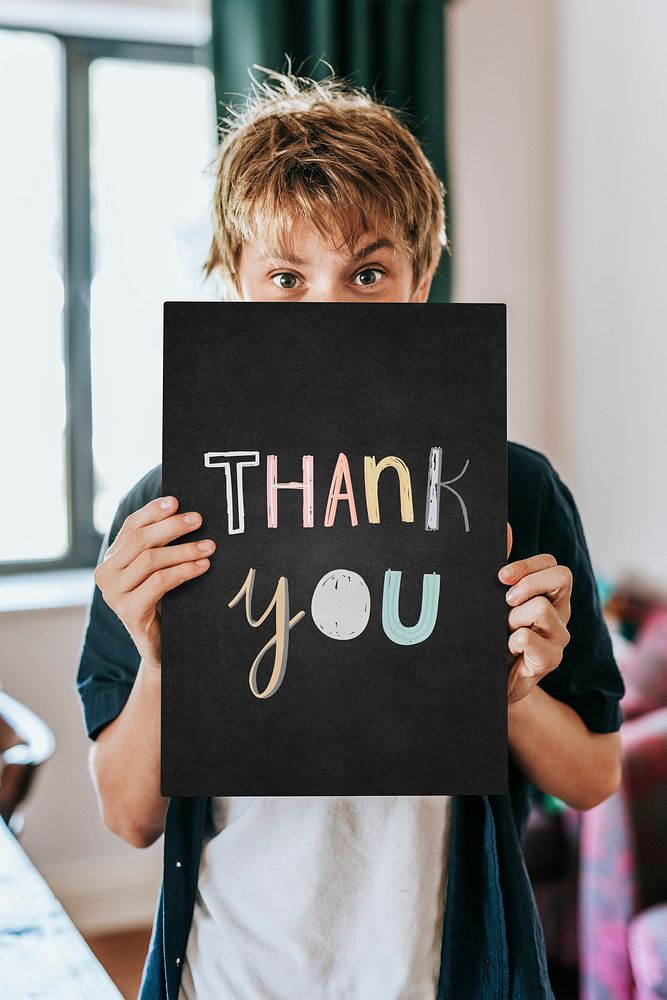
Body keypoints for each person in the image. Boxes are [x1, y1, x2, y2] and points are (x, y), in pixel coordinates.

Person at [76, 64, 625, 1000]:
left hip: (445, 972)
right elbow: (130, 821)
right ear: (237, 288)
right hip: (229, 973)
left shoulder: (512, 487)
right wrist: (163, 665)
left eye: (366, 272)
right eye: (287, 276)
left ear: (418, 284)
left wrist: (507, 692)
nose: (329, 309)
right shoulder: (167, 505)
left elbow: (589, 776)